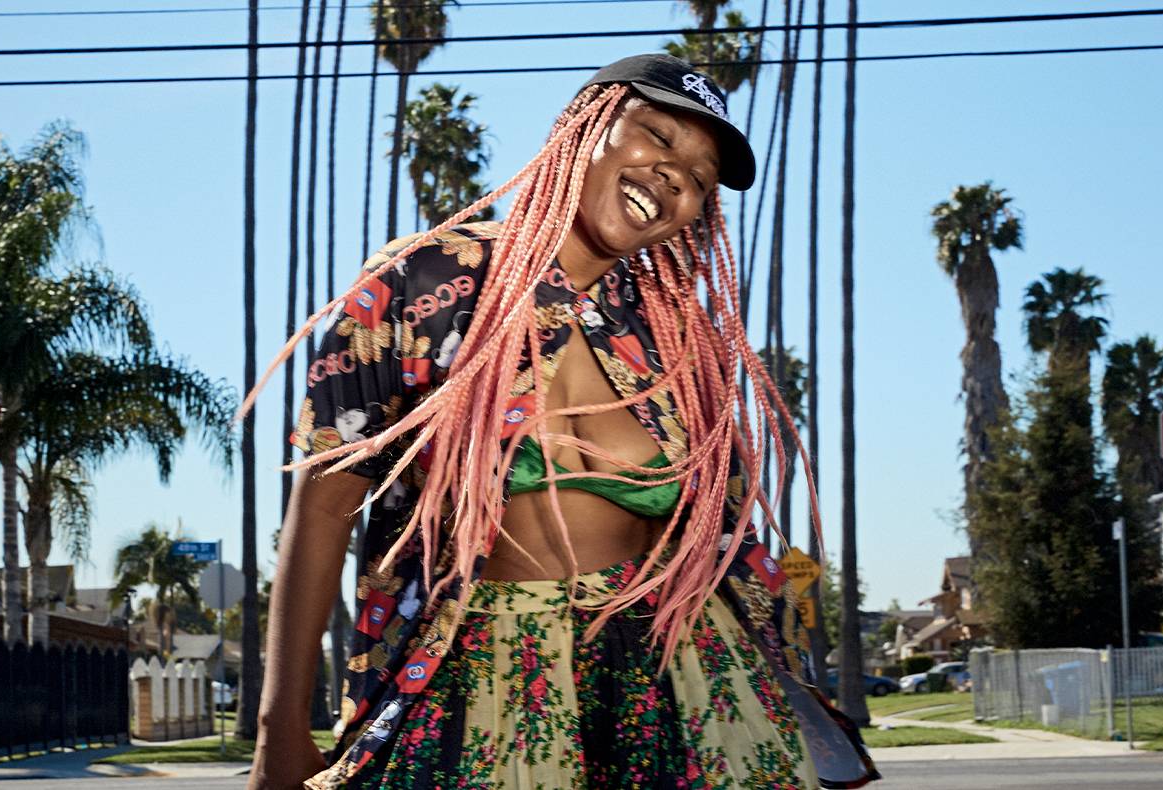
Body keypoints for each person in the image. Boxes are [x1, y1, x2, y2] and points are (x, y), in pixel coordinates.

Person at [245, 53, 879, 790]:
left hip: (684, 672)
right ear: (583, 125)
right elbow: (326, 504)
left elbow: (724, 534)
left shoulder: (676, 337)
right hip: (493, 675)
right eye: (658, 136)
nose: (675, 175)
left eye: (701, 179)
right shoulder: (432, 280)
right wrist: (279, 728)